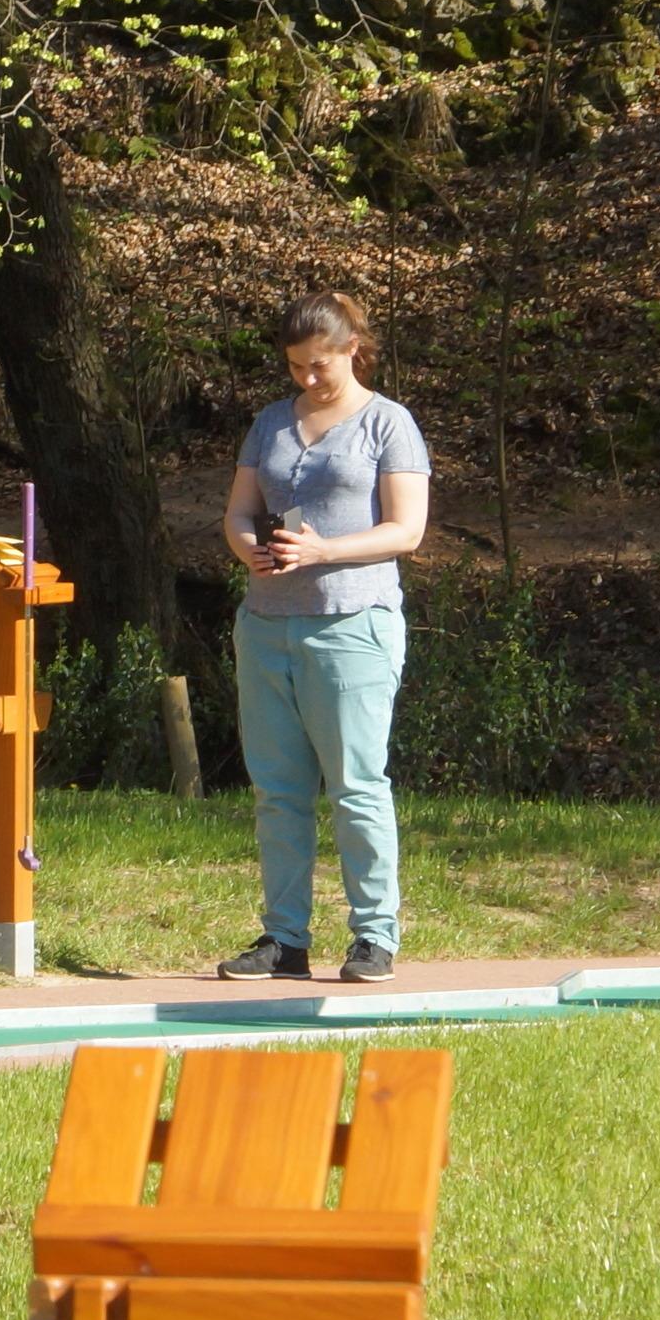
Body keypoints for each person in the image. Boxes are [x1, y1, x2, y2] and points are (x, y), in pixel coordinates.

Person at [216, 288, 431, 984]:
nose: (307, 378)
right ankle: (284, 940)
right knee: (278, 791)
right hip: (266, 626)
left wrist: (323, 551)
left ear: (351, 349)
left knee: (356, 785)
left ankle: (374, 937)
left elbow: (407, 530)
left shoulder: (388, 423)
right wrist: (249, 548)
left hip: (353, 626)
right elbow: (239, 512)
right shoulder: (270, 423)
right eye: (295, 366)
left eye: (320, 365)